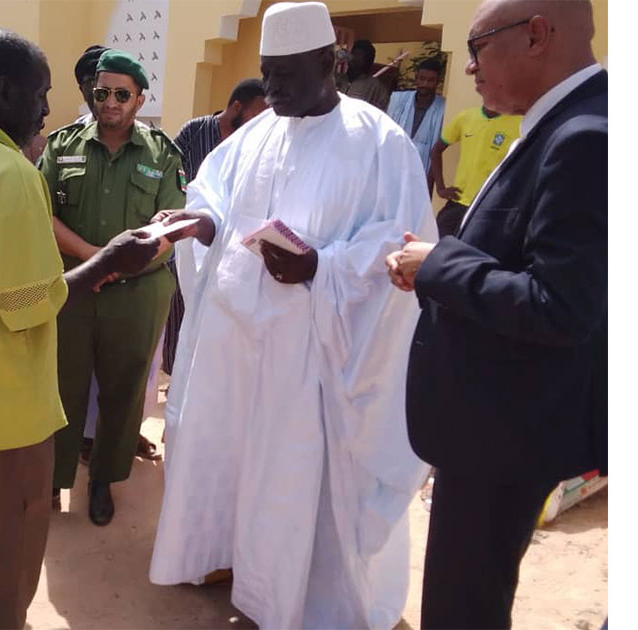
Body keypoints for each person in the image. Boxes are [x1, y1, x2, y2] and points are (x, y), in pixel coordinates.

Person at [147, 3, 435, 628]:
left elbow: (400, 245)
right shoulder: (257, 134)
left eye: (286, 73)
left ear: (329, 62)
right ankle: (227, 559)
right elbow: (215, 195)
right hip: (237, 346)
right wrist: (201, 222)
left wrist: (321, 267)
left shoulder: (379, 142)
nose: (272, 88)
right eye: (267, 72)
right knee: (231, 456)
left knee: (291, 478)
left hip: (312, 358)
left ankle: (292, 595)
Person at [0, 29, 165, 628]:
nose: (47, 109)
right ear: (4, 91)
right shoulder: (10, 174)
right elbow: (28, 304)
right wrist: (108, 260)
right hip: (1, 416)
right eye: (40, 94)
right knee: (3, 563)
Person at [385, 1, 606, 628]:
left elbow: (561, 305)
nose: (469, 67)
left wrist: (438, 265)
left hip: (504, 432)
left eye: (478, 47)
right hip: (498, 423)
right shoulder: (557, 122)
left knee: (463, 607)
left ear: (536, 35)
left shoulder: (585, 137)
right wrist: (436, 270)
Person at [39, 49, 187, 526]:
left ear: (140, 100)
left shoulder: (162, 154)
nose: (110, 102)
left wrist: (117, 268)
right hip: (74, 288)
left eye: (122, 95)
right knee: (61, 386)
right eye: (102, 92)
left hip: (136, 293)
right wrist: (95, 259)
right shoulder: (62, 146)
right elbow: (42, 213)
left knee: (123, 393)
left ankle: (102, 480)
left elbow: (169, 230)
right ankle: (53, 479)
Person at [164, 77, 269, 376]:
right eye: (256, 114)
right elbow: (173, 177)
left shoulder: (254, 146)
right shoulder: (196, 131)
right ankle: (176, 377)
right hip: (186, 239)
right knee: (181, 317)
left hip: (230, 249)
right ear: (236, 107)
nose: (259, 123)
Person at [428, 102, 523, 237]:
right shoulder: (466, 117)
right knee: (439, 244)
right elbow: (436, 151)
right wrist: (440, 188)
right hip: (459, 202)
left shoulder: (518, 123)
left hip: (489, 206)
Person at [386, 58, 447, 176]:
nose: (425, 84)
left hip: (422, 172)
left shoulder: (443, 108)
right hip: (393, 168)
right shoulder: (398, 100)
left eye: (431, 80)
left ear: (438, 82)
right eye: (422, 79)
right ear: (416, 78)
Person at [337, 39, 391, 111]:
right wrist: (335, 62)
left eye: (359, 55)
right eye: (353, 54)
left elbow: (383, 111)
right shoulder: (338, 78)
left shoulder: (375, 87)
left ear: (367, 61)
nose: (353, 58)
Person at [71, 45, 108, 125]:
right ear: (82, 90)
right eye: (92, 82)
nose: (98, 90)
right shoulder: (77, 129)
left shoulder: (135, 130)